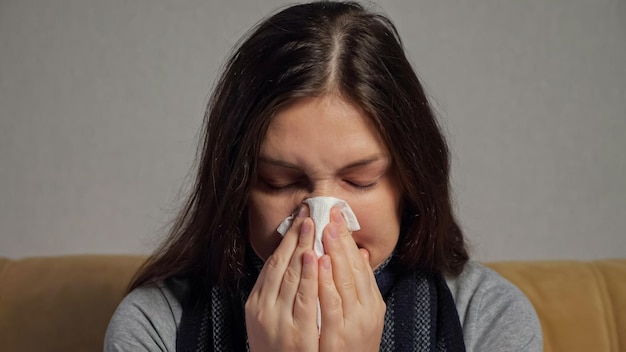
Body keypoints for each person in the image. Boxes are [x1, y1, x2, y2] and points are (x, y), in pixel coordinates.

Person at [104, 1, 542, 351]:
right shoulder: (156, 323)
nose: (319, 220)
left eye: (361, 180)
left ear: (409, 183)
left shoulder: (486, 318)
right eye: (280, 181)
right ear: (235, 189)